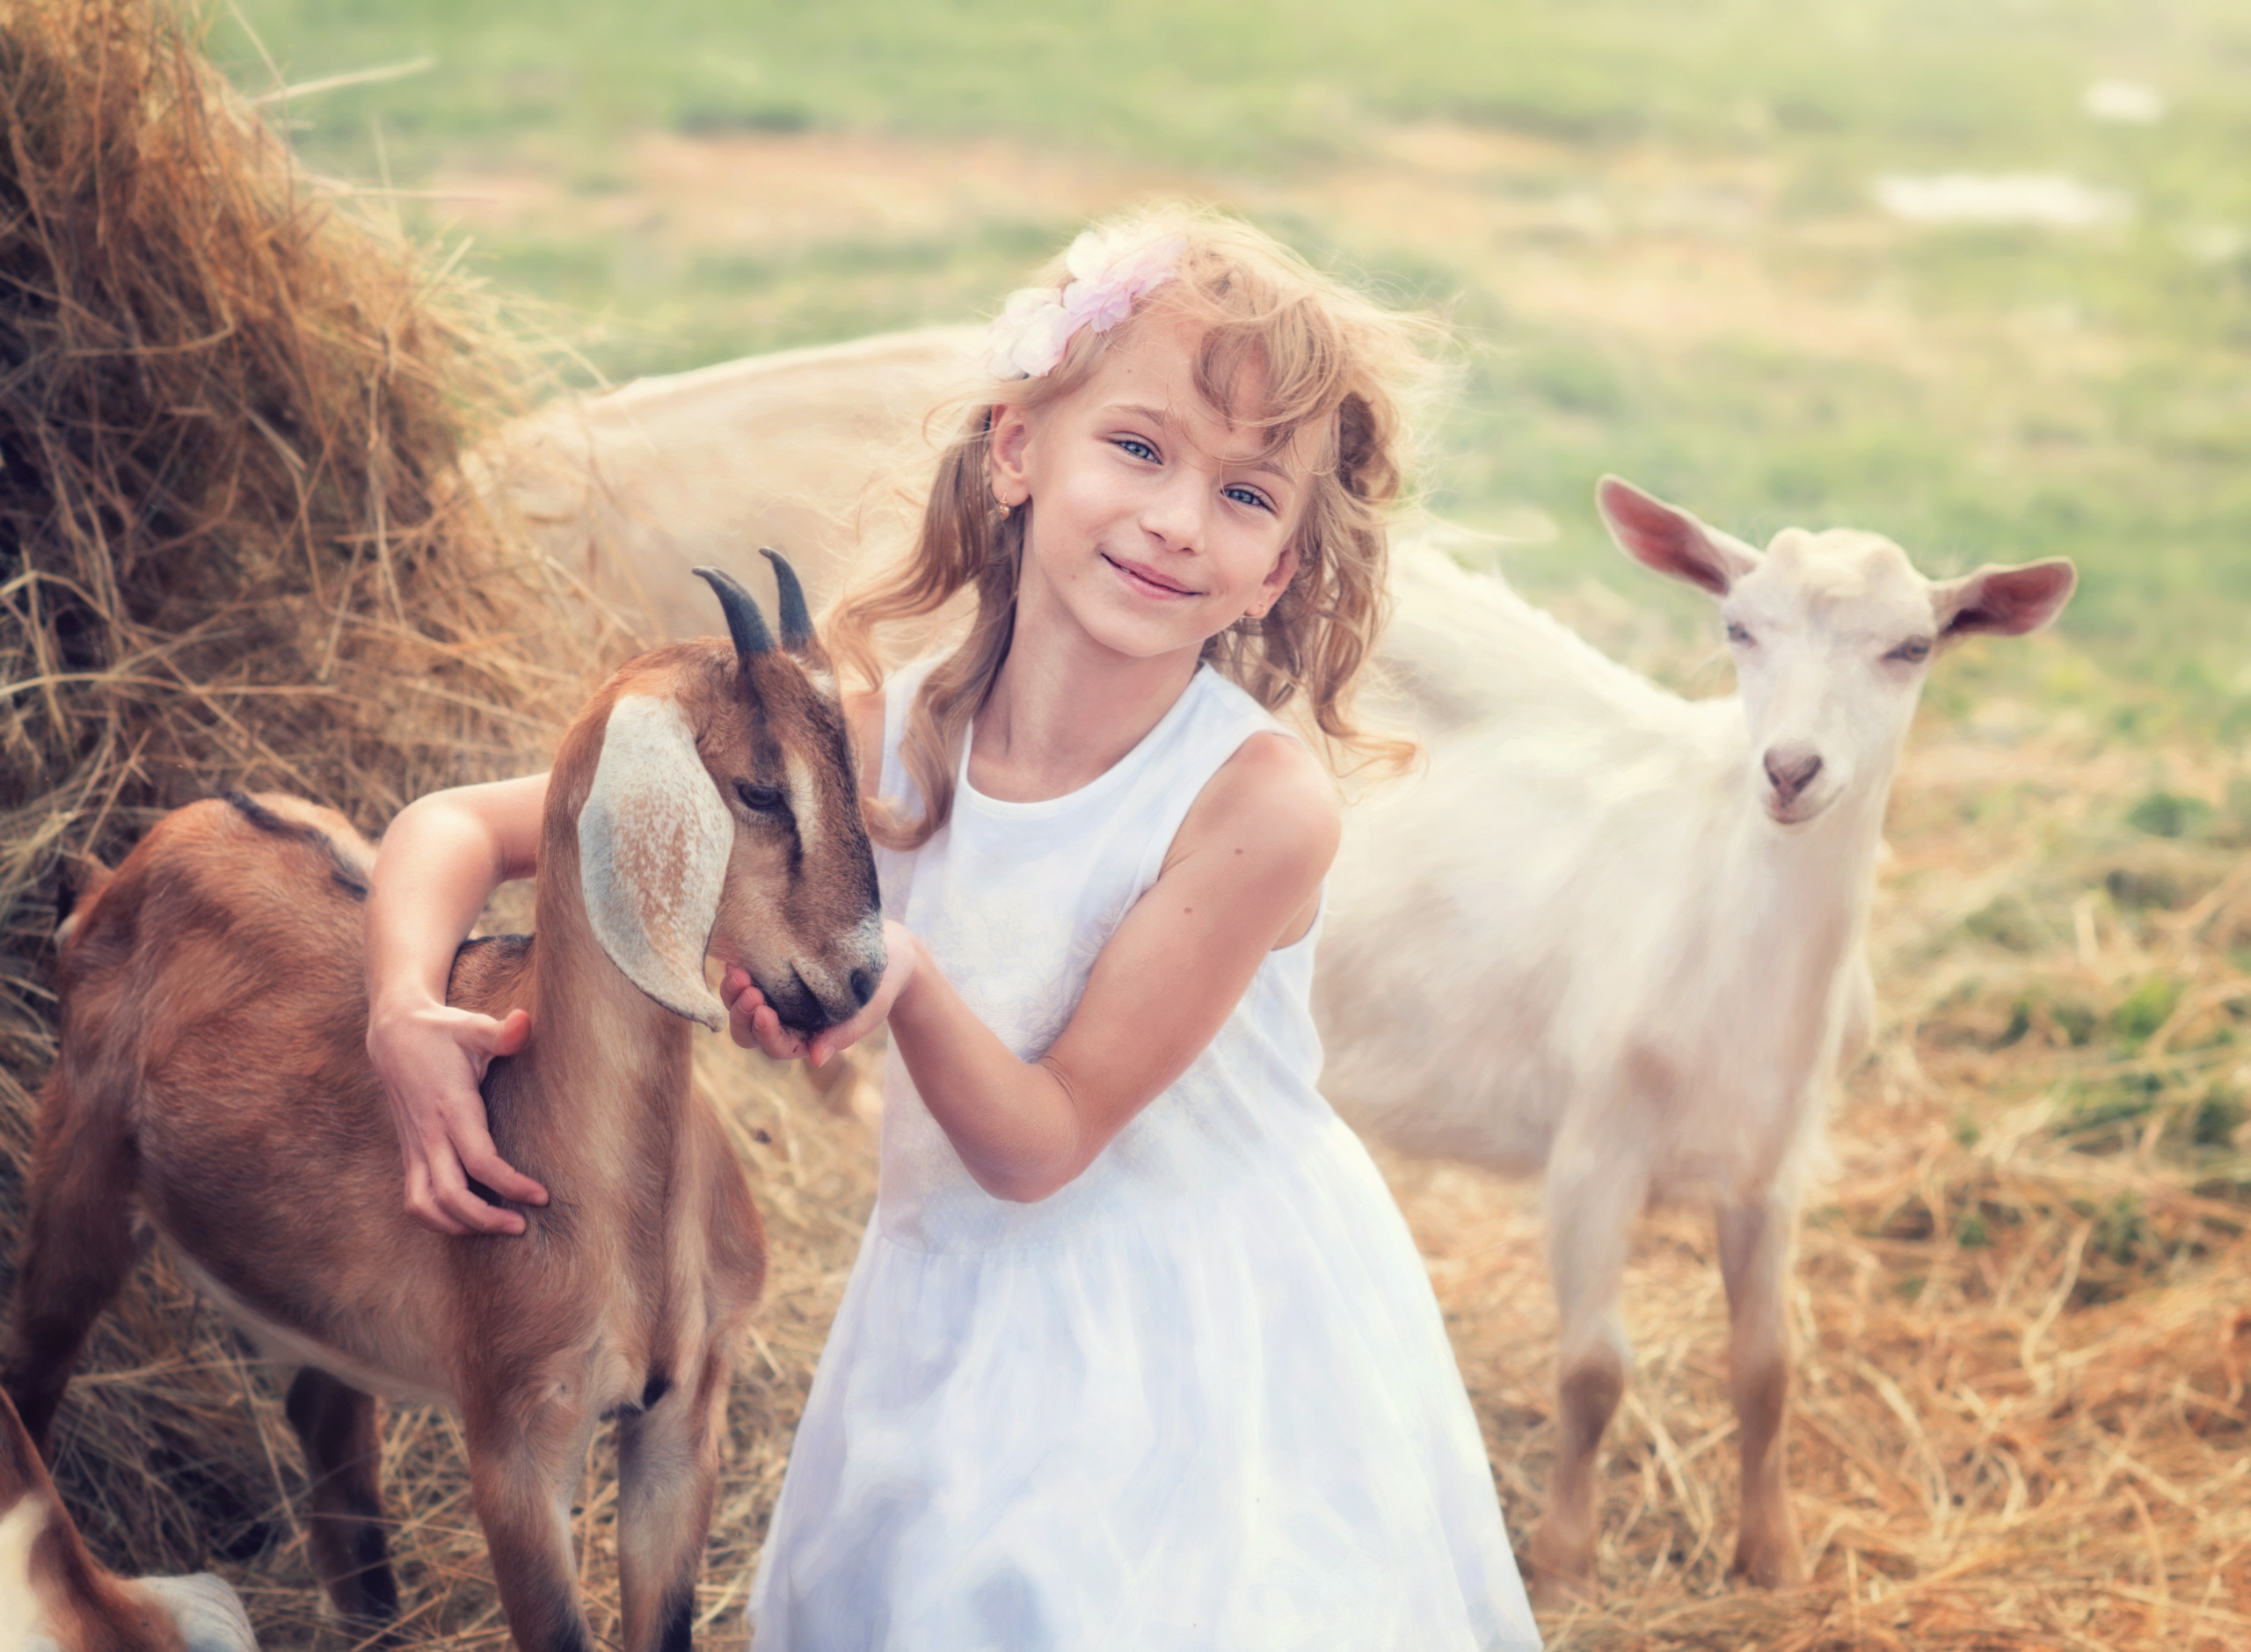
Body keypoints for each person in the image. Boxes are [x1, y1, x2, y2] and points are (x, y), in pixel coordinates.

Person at [365, 208, 1541, 1650]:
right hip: (948, 1306)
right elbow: (456, 829)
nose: (1179, 520)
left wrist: (896, 977)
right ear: (1015, 452)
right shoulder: (888, 741)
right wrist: (402, 1012)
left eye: (1248, 497)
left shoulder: (1254, 803)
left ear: (1284, 568)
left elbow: (1040, 1143)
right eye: (1141, 448)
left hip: (1200, 1317)